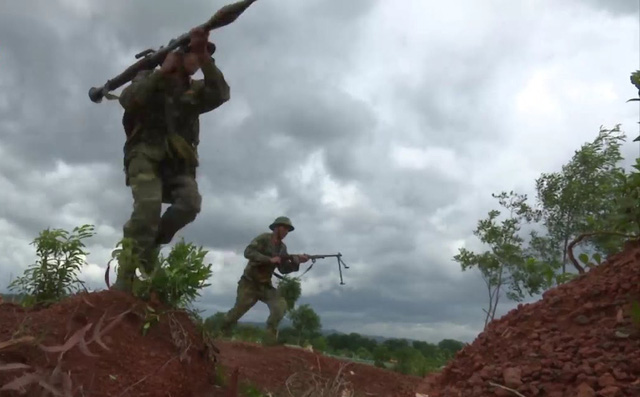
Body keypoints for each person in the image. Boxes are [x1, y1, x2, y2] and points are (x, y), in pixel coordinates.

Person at [113, 27, 231, 292]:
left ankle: (152, 244)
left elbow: (221, 93)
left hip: (178, 163)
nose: (198, 62)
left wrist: (206, 57)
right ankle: (123, 283)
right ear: (178, 54)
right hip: (144, 153)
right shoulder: (150, 78)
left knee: (190, 204)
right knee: (147, 209)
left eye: (201, 59)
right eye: (194, 55)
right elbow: (129, 101)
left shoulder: (197, 91)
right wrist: (162, 73)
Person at [219, 216, 310, 346]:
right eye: (284, 228)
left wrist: (297, 262)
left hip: (265, 286)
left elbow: (283, 269)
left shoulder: (282, 248)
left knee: (280, 306)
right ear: (277, 228)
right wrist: (269, 259)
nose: (286, 232)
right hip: (249, 283)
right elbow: (248, 252)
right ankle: (220, 334)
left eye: (288, 230)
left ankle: (269, 340)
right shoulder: (263, 239)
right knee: (237, 312)